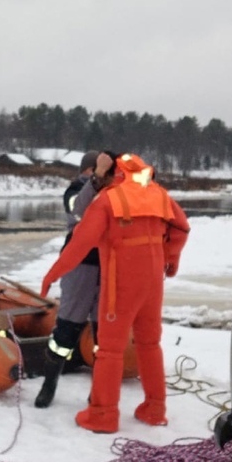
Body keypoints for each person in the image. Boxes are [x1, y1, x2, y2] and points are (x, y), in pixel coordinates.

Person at [40, 152, 190, 434]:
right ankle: (155, 408)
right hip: (151, 284)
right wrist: (171, 259)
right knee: (150, 344)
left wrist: (52, 275)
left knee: (109, 349)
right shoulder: (158, 195)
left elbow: (79, 244)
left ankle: (102, 414)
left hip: (119, 284)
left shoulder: (110, 199)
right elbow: (181, 227)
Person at [35, 150, 111, 408]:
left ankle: (99, 393)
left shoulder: (114, 192)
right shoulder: (76, 190)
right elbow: (78, 210)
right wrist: (98, 178)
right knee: (66, 331)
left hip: (108, 270)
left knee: (105, 337)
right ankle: (49, 384)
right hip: (79, 268)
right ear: (89, 169)